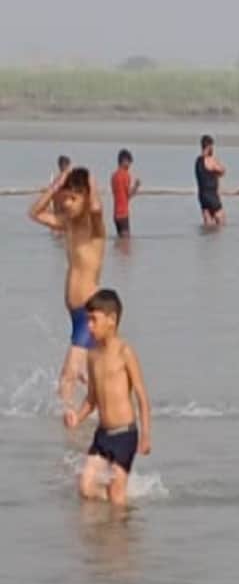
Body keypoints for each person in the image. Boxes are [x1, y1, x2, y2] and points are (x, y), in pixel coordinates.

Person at [61, 290, 151, 508]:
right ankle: (112, 507)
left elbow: (141, 396)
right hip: (102, 435)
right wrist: (78, 418)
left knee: (117, 496)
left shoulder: (124, 352)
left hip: (125, 435)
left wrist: (146, 435)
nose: (89, 326)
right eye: (87, 320)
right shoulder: (92, 356)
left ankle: (121, 535)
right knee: (85, 487)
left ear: (111, 320)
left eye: (94, 320)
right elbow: (92, 399)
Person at [29, 167, 107, 412]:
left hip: (89, 312)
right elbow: (34, 213)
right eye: (65, 199)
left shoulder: (94, 228)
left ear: (85, 196)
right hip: (76, 315)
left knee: (67, 378)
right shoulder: (68, 225)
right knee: (86, 375)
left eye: (73, 198)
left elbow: (96, 209)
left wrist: (92, 185)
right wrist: (55, 186)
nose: (67, 204)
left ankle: (69, 428)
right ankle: (103, 411)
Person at [195, 135, 226, 228]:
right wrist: (216, 160)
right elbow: (222, 170)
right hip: (212, 195)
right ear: (209, 146)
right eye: (212, 146)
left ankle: (206, 241)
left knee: (208, 224)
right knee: (221, 222)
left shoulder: (198, 161)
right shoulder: (210, 160)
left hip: (202, 196)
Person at [110, 150, 140, 239]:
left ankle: (117, 253)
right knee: (126, 243)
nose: (130, 166)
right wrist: (136, 186)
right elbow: (128, 195)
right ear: (124, 161)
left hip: (116, 214)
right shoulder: (125, 175)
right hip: (123, 213)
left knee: (121, 241)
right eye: (129, 163)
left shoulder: (114, 175)